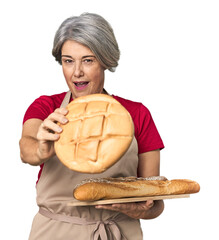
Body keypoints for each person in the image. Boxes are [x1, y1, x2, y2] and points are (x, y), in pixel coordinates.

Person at [19, 13, 165, 240]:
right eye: (68, 61)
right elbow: (26, 148)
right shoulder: (47, 107)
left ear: (105, 61)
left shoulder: (137, 114)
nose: (76, 72)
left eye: (88, 60)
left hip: (119, 232)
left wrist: (138, 209)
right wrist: (40, 149)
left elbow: (154, 202)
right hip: (55, 232)